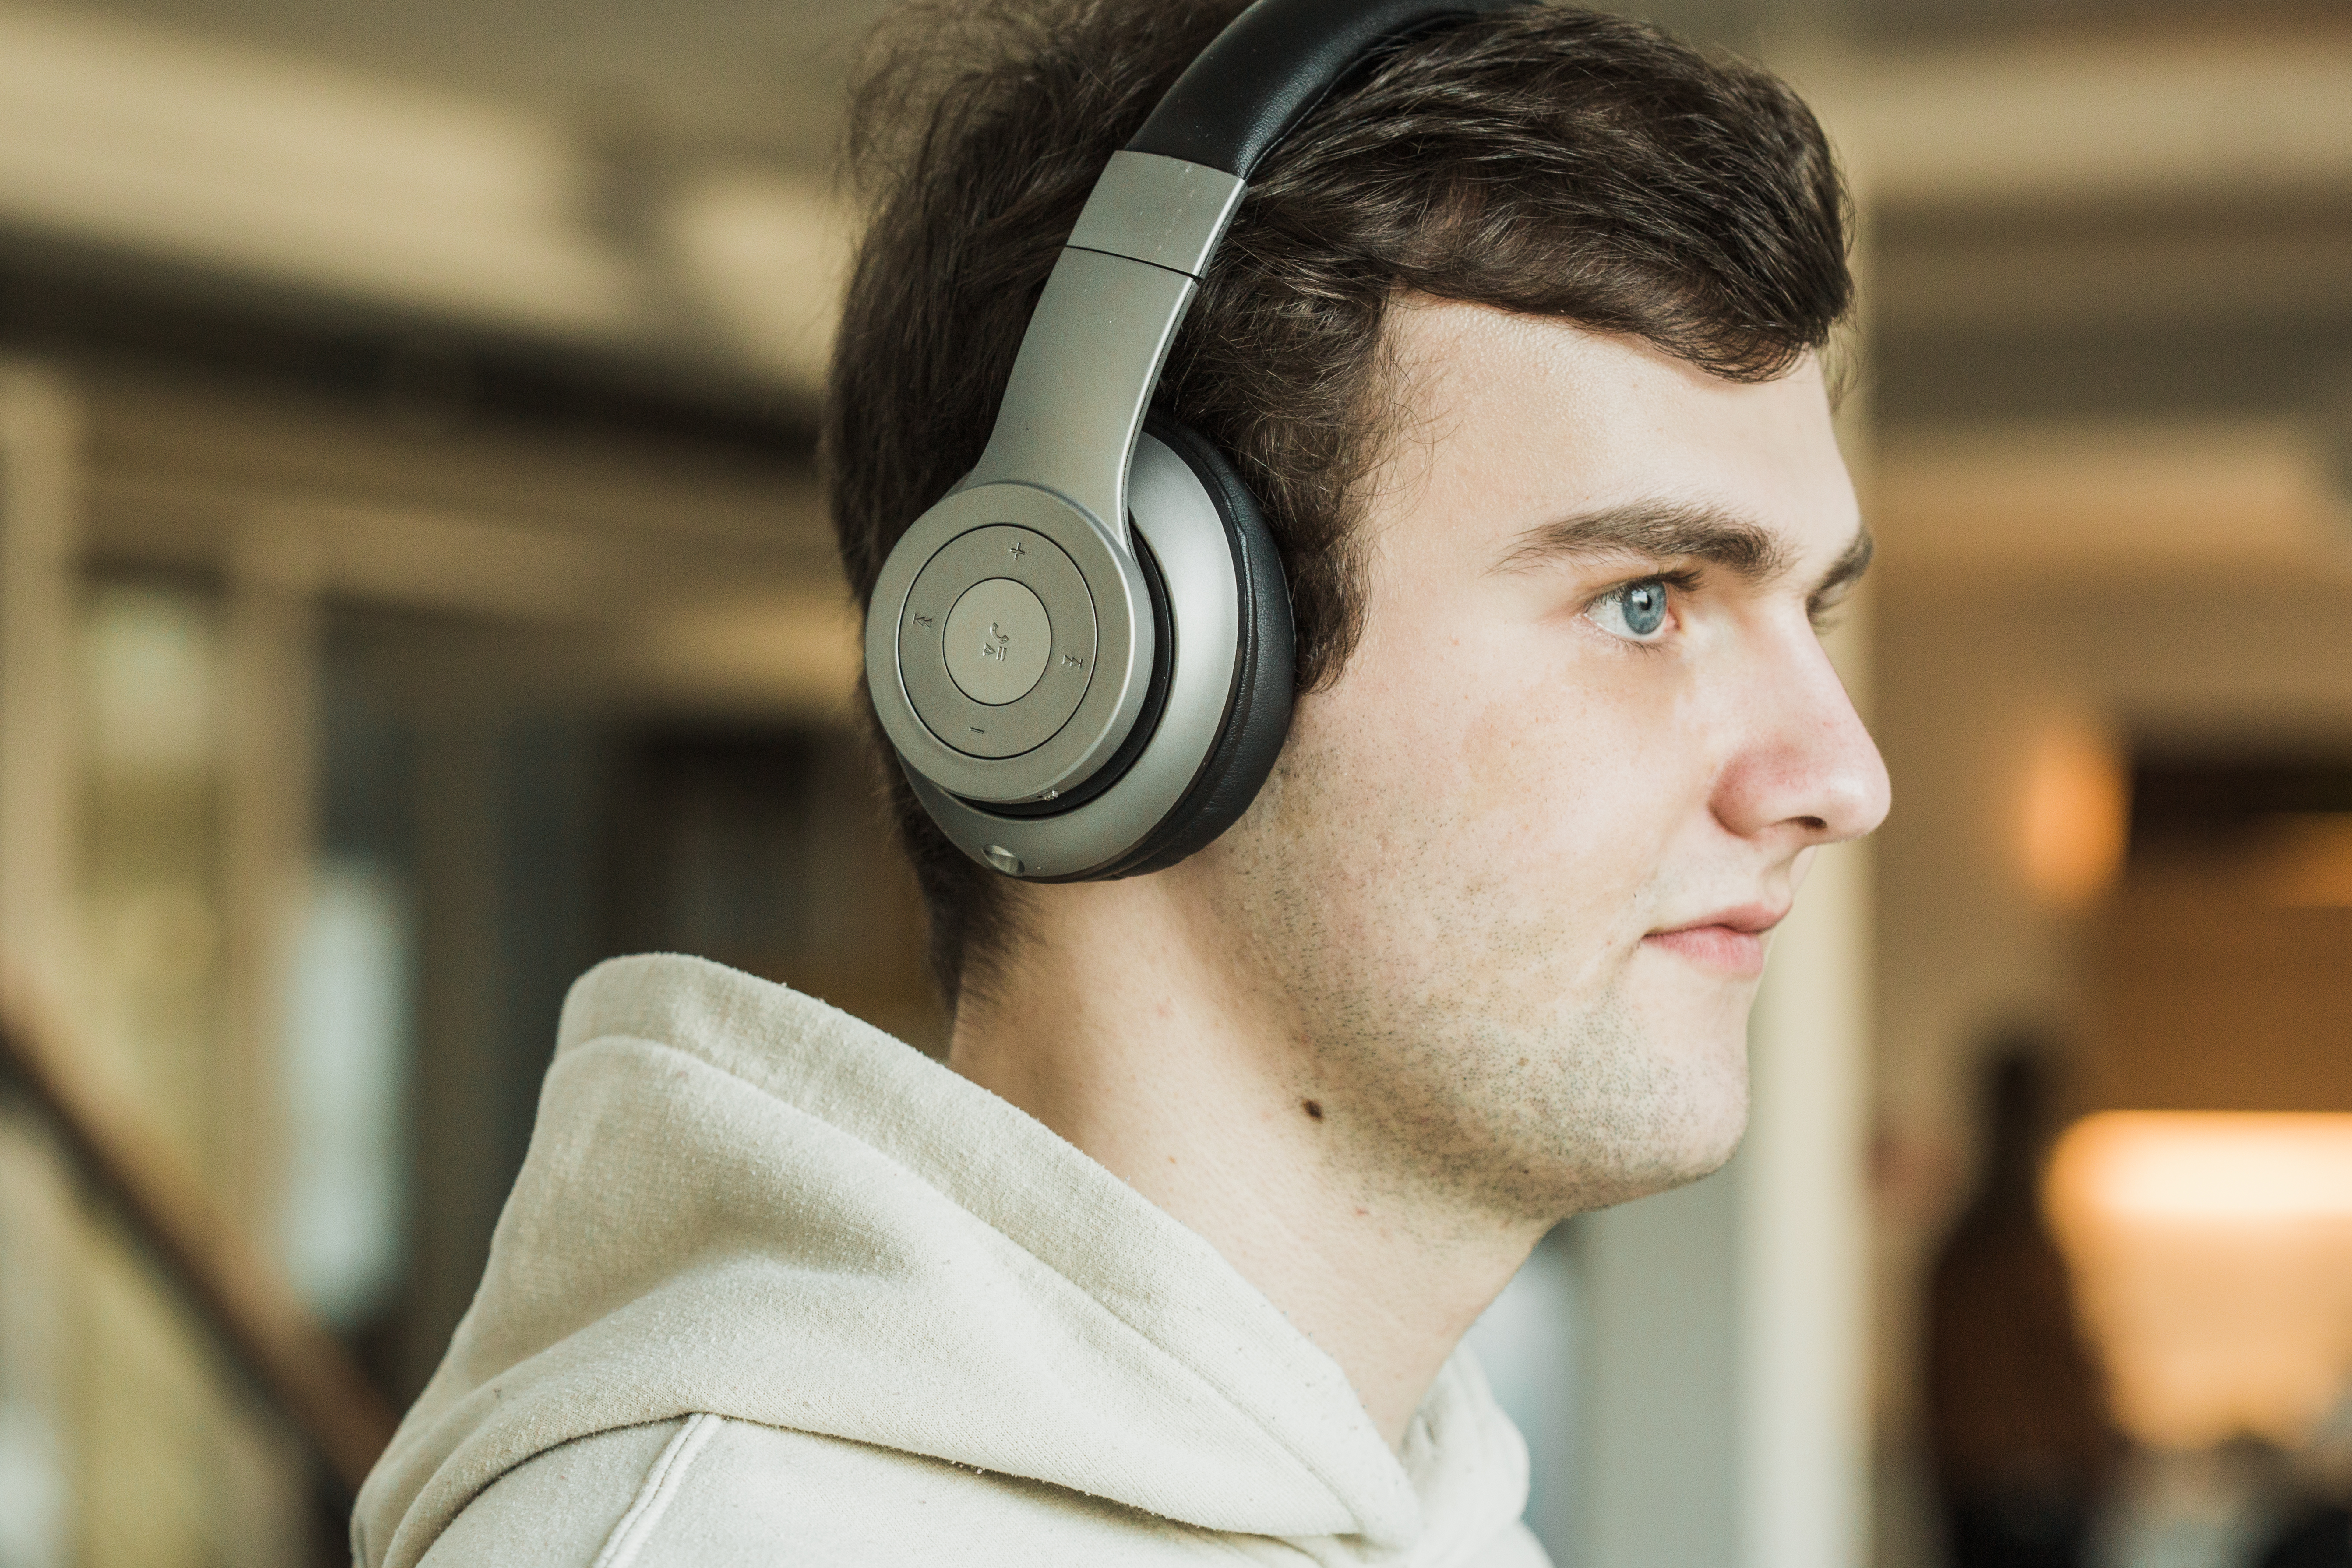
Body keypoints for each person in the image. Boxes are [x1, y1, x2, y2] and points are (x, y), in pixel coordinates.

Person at [351, 1, 1888, 1563]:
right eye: (1649, 598)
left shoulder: (1423, 1518)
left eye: (1811, 607)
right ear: (1114, 652)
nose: (1840, 775)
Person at [1925, 1045, 2119, 1568]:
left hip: (1975, 1499)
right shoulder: (2020, 1253)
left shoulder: (1961, 1251)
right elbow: (2064, 1378)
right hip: (2035, 1504)